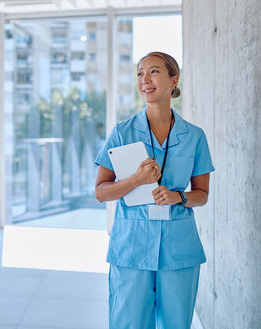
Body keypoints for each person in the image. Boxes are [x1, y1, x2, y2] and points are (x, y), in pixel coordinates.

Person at [94, 51, 214, 328]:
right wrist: (135, 180)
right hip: (131, 249)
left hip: (179, 251)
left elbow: (202, 194)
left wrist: (178, 197)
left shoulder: (194, 136)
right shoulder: (122, 132)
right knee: (129, 323)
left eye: (154, 71)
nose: (144, 80)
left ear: (174, 80)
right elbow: (101, 192)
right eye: (139, 73)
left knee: (176, 324)